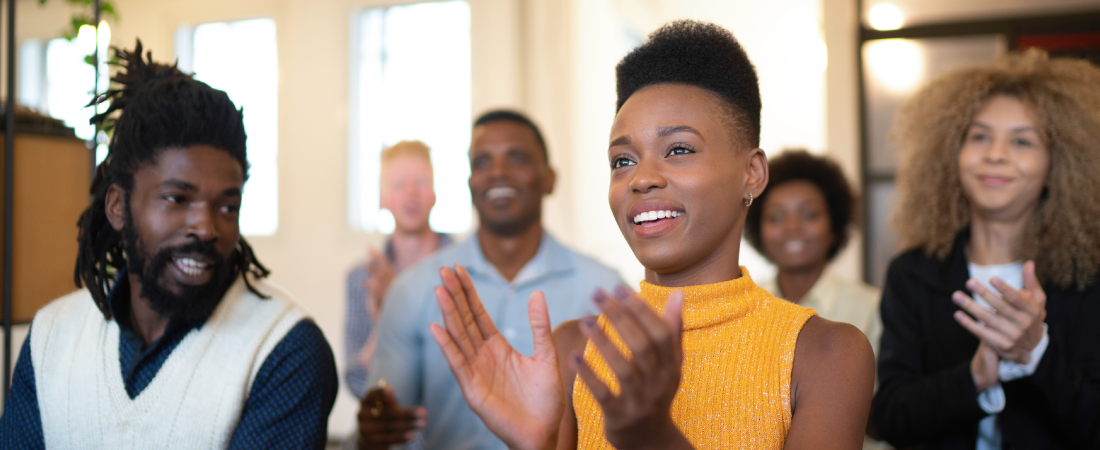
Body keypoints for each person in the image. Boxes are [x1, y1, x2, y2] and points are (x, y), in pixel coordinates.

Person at [428, 20, 874, 450]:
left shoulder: (826, 355)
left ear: (751, 173)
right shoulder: (575, 350)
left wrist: (654, 439)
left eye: (678, 149)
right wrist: (536, 445)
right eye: (622, 160)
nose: (641, 179)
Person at [0, 41, 338, 449]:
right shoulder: (53, 337)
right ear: (118, 206)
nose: (206, 227)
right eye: (177, 198)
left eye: (228, 206)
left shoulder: (284, 350)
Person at [871, 49, 1100, 449]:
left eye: (1022, 141)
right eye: (979, 136)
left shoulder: (1087, 279)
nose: (995, 154)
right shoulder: (912, 274)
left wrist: (1036, 353)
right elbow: (889, 418)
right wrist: (976, 375)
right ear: (950, 156)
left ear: (1056, 168)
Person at [355, 110, 624, 450]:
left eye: (517, 157)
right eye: (482, 162)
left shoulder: (605, 292)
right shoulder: (413, 290)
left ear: (549, 179)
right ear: (470, 184)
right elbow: (384, 428)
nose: (498, 172)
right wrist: (372, 433)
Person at [744, 150, 882, 355]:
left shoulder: (871, 308)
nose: (792, 226)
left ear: (834, 225)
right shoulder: (745, 307)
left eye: (809, 214)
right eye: (775, 217)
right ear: (758, 229)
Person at [344, 140, 452, 398]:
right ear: (383, 198)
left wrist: (400, 298)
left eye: (422, 182)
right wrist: (386, 319)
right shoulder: (362, 279)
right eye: (398, 184)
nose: (411, 192)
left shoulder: (464, 271)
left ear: (435, 194)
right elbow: (359, 381)